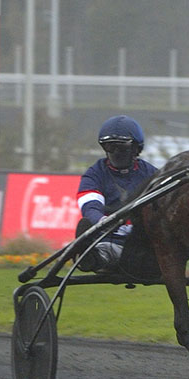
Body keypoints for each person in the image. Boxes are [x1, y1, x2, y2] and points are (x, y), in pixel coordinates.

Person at [75, 115, 159, 272]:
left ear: (135, 148)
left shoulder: (152, 174)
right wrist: (103, 221)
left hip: (141, 242)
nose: (115, 152)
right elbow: (90, 206)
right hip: (108, 239)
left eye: (121, 147)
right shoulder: (94, 174)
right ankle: (89, 256)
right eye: (109, 147)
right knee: (106, 249)